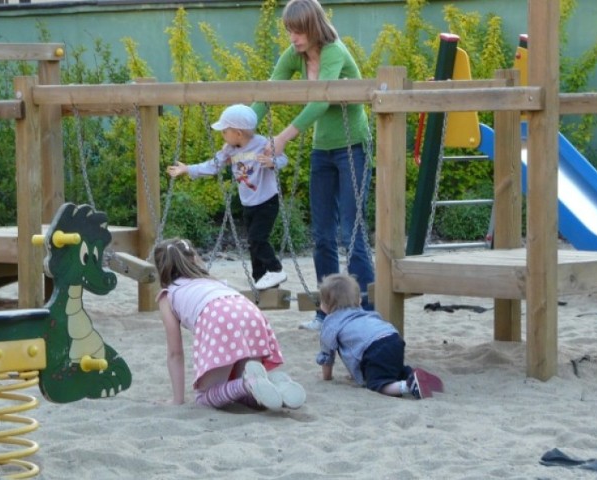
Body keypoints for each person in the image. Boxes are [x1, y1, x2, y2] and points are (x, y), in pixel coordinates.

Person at [251, 0, 375, 330]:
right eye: (289, 31)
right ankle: (327, 312)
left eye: (298, 30)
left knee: (352, 230)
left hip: (353, 147)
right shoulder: (296, 55)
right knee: (321, 234)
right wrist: (242, 129)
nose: (292, 37)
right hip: (323, 150)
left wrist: (282, 137)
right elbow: (270, 92)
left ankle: (365, 309)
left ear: (314, 27)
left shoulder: (334, 51)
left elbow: (321, 100)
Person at [152, 237, 306, 411]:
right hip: (250, 312)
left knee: (205, 397)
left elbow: (175, 353)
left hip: (219, 318)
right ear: (194, 259)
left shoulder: (168, 294)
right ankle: (278, 388)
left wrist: (177, 399)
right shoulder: (213, 282)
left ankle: (249, 384)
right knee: (241, 392)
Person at [167, 104, 288, 291]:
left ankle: (275, 269)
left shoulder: (263, 144)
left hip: (267, 201)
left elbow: (283, 159)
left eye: (225, 131)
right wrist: (187, 169)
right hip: (249, 202)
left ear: (238, 133)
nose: (222, 135)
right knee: (252, 243)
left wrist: (272, 162)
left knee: (258, 238)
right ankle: (261, 279)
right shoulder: (230, 150)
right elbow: (213, 166)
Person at [315, 273, 444, 399]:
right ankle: (413, 375)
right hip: (393, 337)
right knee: (393, 369)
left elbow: (327, 356)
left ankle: (408, 386)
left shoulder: (331, 324)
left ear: (325, 305)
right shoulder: (365, 314)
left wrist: (327, 377)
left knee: (378, 384)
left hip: (374, 347)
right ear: (359, 300)